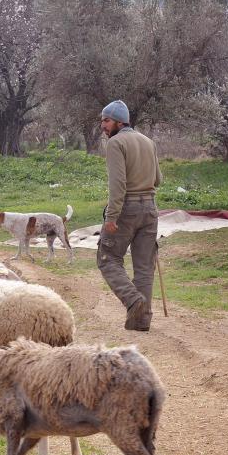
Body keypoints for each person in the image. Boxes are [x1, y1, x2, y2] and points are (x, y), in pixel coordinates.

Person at [97, 100, 162, 331]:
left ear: (119, 121)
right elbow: (157, 180)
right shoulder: (148, 142)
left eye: (106, 120)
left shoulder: (115, 143)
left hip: (126, 210)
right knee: (144, 267)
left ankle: (133, 301)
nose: (103, 125)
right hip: (150, 209)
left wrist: (111, 218)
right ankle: (141, 321)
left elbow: (118, 185)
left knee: (107, 258)